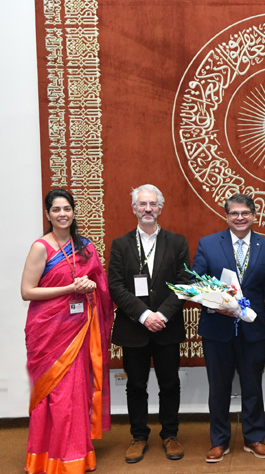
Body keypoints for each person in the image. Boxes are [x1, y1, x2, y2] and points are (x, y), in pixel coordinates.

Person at [21, 188, 114, 474]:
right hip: (47, 331)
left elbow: (99, 285)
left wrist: (90, 286)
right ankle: (45, 458)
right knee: (54, 395)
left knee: (75, 393)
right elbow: (27, 291)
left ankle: (75, 455)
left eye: (67, 209)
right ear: (48, 214)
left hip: (79, 330)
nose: (62, 214)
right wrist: (70, 288)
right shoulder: (41, 247)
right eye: (56, 210)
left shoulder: (85, 247)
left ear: (73, 212)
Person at [192, 194, 265, 462]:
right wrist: (215, 303)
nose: (240, 218)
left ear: (254, 215)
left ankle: (254, 438)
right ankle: (219, 441)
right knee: (218, 388)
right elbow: (197, 283)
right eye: (234, 213)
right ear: (226, 216)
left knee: (253, 385)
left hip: (253, 329)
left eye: (245, 213)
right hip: (217, 328)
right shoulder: (208, 244)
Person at [108, 184, 190, 463]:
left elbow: (184, 284)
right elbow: (116, 286)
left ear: (160, 208)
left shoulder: (177, 242)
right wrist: (144, 315)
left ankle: (170, 434)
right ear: (134, 209)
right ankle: (138, 436)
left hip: (167, 326)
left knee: (170, 384)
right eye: (142, 204)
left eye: (153, 204)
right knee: (135, 385)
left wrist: (161, 315)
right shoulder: (120, 245)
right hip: (134, 327)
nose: (147, 209)